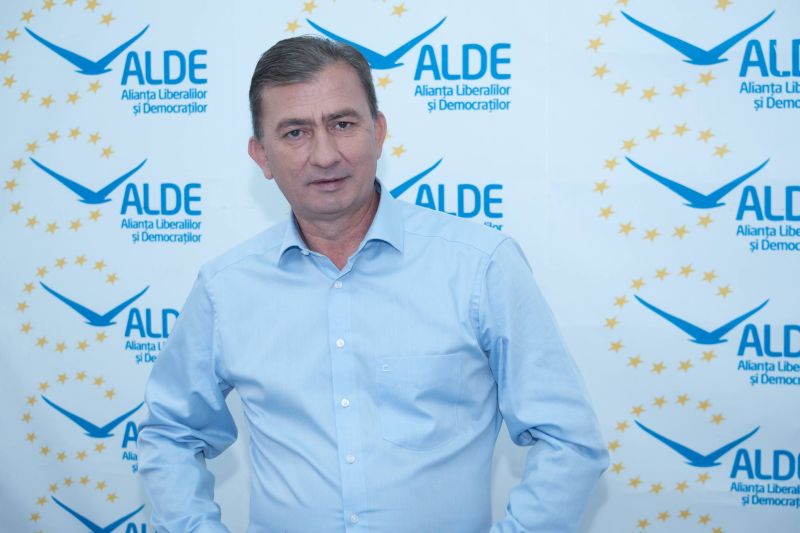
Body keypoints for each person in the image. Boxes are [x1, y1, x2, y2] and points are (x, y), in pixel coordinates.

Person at [138, 35, 608, 532]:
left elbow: (569, 440)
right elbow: (169, 434)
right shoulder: (226, 288)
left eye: (342, 124)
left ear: (378, 133)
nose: (324, 155)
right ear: (262, 157)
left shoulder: (480, 267)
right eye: (295, 133)